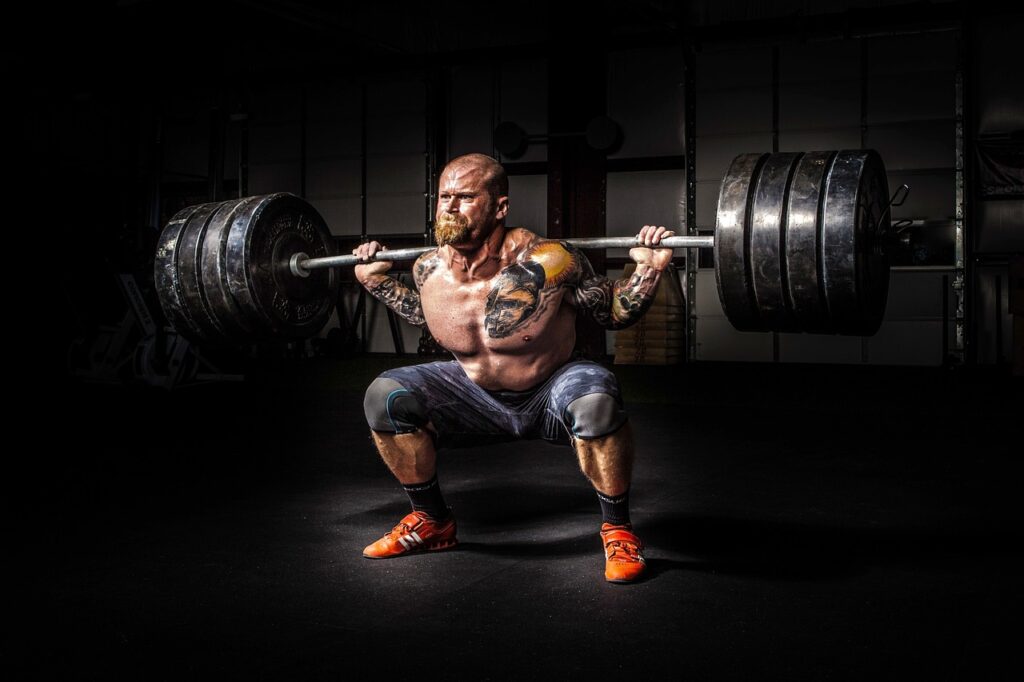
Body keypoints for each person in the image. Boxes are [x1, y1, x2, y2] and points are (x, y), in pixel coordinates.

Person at [353, 153, 673, 583]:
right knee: (385, 396)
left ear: (500, 207)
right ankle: (432, 521)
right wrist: (378, 282)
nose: (449, 207)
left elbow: (612, 311)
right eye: (445, 196)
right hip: (472, 395)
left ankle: (618, 530)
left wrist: (648, 270)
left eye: (465, 197)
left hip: (548, 387)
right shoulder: (427, 268)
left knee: (596, 399)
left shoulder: (553, 260)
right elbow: (426, 316)